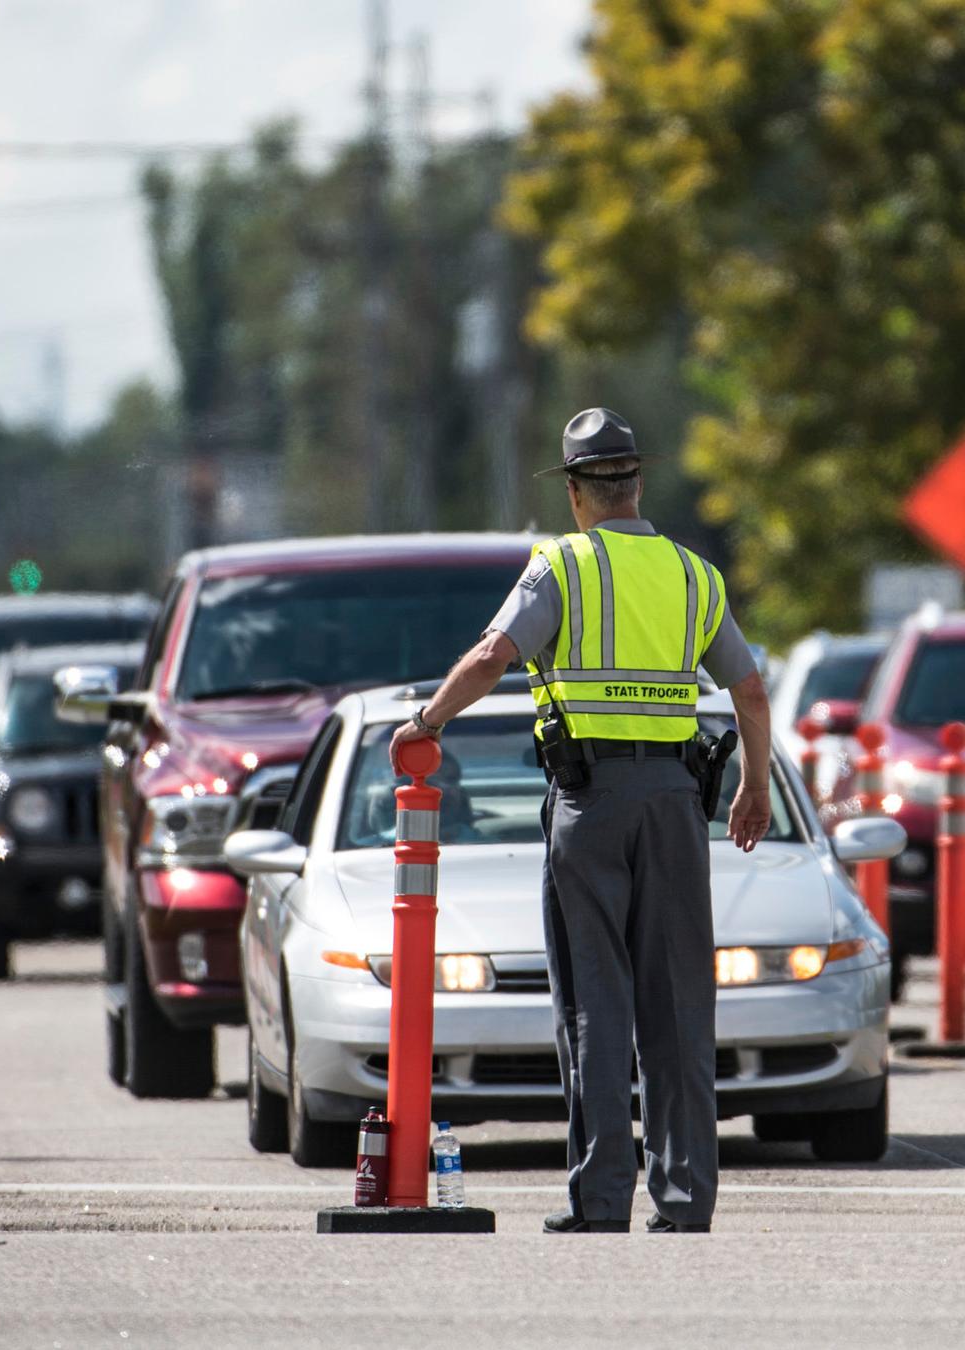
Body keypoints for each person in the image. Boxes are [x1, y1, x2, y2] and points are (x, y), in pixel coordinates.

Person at [391, 407, 772, 1235]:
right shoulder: (694, 576)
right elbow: (748, 688)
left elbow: (493, 657)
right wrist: (755, 787)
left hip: (590, 804)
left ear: (574, 492)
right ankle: (685, 1200)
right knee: (679, 1005)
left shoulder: (559, 567)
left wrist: (426, 722)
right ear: (636, 484)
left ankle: (600, 1201)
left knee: (596, 1004)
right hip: (678, 805)